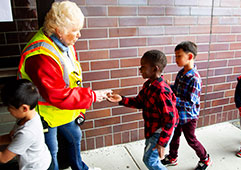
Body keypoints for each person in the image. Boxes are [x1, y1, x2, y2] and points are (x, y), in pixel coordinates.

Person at [17, 1, 110, 170]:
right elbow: (57, 94)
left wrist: (80, 108)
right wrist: (93, 96)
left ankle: (80, 168)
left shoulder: (64, 43)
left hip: (64, 110)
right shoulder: (40, 56)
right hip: (44, 115)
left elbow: (72, 78)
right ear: (59, 31)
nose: (79, 35)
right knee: (50, 155)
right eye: (75, 31)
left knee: (75, 138)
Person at [107, 50, 178, 170]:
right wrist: (121, 99)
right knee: (149, 155)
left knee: (149, 160)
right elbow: (139, 102)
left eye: (143, 67)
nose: (140, 70)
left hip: (160, 132)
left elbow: (170, 119)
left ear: (155, 69)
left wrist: (162, 143)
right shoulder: (148, 85)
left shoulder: (161, 91)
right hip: (152, 129)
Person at [161, 41, 212, 170]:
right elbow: (177, 90)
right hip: (177, 114)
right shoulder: (181, 73)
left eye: (179, 56)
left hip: (189, 116)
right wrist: (169, 87)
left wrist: (172, 99)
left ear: (189, 57)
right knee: (174, 136)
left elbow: (190, 102)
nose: (176, 59)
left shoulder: (194, 78)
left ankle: (205, 159)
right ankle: (173, 157)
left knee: (191, 139)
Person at [0, 79, 53, 170]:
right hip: (40, 159)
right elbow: (11, 137)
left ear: (24, 108)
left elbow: (3, 158)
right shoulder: (29, 115)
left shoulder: (27, 132)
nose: (8, 110)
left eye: (10, 107)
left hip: (37, 167)